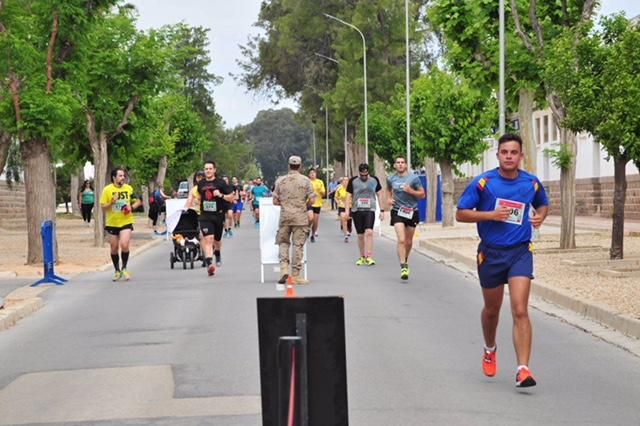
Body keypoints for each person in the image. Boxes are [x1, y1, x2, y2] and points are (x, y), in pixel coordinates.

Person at [456, 133, 549, 388]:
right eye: (504, 152)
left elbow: (543, 204)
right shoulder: (484, 182)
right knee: (492, 310)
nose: (509, 156)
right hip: (491, 253)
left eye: (514, 152)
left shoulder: (531, 183)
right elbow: (461, 214)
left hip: (520, 251)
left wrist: (540, 217)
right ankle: (489, 347)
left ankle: (523, 369)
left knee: (520, 309)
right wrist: (491, 215)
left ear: (521, 156)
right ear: (497, 155)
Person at [186, 160, 235, 276]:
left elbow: (231, 197)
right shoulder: (201, 184)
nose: (208, 171)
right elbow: (196, 195)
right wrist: (194, 202)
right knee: (208, 239)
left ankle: (217, 253)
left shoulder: (221, 183)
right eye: (206, 169)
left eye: (210, 169)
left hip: (218, 215)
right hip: (205, 216)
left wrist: (221, 195)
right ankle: (209, 264)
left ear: (214, 170)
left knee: (217, 240)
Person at [273, 155, 315, 285]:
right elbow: (312, 199)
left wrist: (286, 204)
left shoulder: (280, 181)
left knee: (283, 243)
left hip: (285, 217)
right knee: (298, 245)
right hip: (300, 218)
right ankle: (296, 275)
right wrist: (302, 205)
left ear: (288, 165)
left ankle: (284, 268)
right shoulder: (306, 181)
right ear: (300, 166)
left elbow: (275, 200)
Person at [100, 167, 142, 282]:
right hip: (112, 223)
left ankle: (124, 267)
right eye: (120, 176)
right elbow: (103, 207)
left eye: (123, 176)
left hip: (126, 222)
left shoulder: (128, 188)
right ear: (114, 177)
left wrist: (131, 207)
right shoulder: (107, 190)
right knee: (114, 248)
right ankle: (117, 270)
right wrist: (111, 202)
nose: (123, 178)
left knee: (124, 244)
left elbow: (139, 201)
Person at [386, 156, 425, 280]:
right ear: (394, 165)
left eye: (402, 162)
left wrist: (410, 191)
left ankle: (405, 259)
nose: (400, 164)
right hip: (397, 211)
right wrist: (389, 198)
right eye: (398, 162)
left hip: (411, 211)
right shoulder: (391, 178)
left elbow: (422, 194)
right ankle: (403, 265)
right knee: (401, 240)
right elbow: (388, 189)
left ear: (406, 165)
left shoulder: (414, 178)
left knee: (408, 241)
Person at [346, 164, 385, 265]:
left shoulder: (374, 180)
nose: (364, 177)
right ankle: (362, 256)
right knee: (360, 235)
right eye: (362, 175)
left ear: (368, 173)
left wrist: (382, 210)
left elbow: (380, 194)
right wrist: (347, 211)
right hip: (357, 210)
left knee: (369, 232)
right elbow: (348, 196)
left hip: (370, 209)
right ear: (359, 173)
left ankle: (369, 256)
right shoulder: (353, 181)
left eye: (366, 175)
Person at [308, 169, 325, 242]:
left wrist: (321, 191)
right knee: (310, 218)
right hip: (309, 203)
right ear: (309, 175)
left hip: (318, 203)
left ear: (316, 174)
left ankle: (313, 234)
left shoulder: (320, 182)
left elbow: (324, 193)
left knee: (315, 221)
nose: (312, 174)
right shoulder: (307, 182)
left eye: (314, 173)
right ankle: (307, 228)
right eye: (311, 173)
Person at [334, 176, 352, 242]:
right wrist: (338, 202)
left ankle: (348, 229)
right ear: (342, 182)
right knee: (344, 219)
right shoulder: (339, 188)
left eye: (347, 180)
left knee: (348, 220)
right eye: (344, 180)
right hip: (342, 206)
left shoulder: (351, 189)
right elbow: (335, 197)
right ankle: (346, 235)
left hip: (350, 206)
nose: (345, 181)